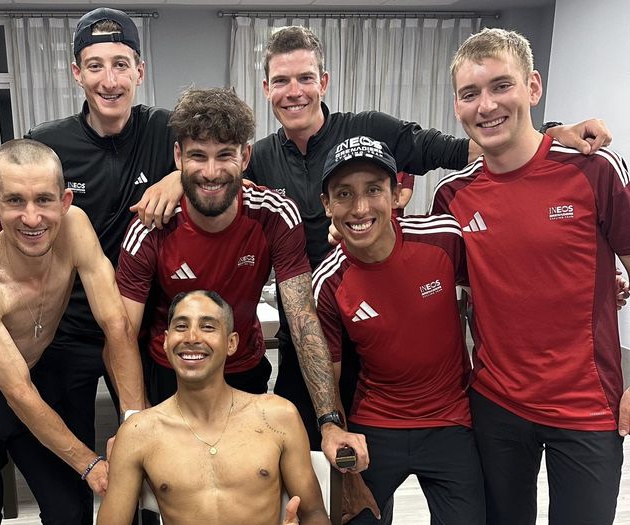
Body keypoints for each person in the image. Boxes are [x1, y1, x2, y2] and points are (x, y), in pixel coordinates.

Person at [246, 24, 614, 452]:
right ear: (266, 88)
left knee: (376, 463)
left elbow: (460, 148)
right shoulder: (261, 158)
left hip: (378, 341)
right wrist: (177, 183)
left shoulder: (368, 128)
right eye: (282, 81)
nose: (295, 92)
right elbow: (216, 187)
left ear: (323, 82)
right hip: (308, 335)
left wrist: (546, 135)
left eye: (306, 78)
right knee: (310, 456)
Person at [430, 28, 630, 525]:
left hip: (586, 407)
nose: (487, 105)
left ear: (533, 87)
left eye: (502, 86)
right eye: (470, 93)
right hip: (496, 405)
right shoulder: (452, 196)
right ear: (457, 106)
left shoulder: (594, 169)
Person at [117, 87, 353, 443]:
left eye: (224, 155)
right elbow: (122, 332)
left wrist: (330, 420)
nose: (211, 172)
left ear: (244, 157)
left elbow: (303, 321)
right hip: (172, 375)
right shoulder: (151, 226)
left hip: (244, 372)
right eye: (198, 156)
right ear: (178, 156)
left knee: (247, 490)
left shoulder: (275, 214)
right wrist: (133, 420)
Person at [23, 9, 179, 521]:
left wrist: (177, 179)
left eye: (120, 64)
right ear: (76, 72)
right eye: (94, 66)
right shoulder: (48, 143)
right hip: (68, 325)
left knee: (151, 458)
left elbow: (226, 155)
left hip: (141, 326)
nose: (108, 80)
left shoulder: (166, 130)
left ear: (140, 68)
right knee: (67, 468)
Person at [0, 138, 140, 524]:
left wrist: (134, 425)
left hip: (34, 373)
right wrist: (93, 464)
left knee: (67, 509)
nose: (32, 218)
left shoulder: (75, 228)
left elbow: (116, 325)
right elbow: (16, 392)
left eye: (44, 200)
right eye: (15, 201)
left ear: (64, 202)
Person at [314, 136, 483, 524]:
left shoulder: (443, 238)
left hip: (451, 421)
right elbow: (329, 378)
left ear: (396, 194)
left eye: (373, 190)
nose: (359, 208)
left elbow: (505, 275)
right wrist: (337, 434)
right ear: (327, 206)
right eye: (343, 194)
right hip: (377, 424)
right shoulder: (329, 281)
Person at [98, 290, 330, 525]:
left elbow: (314, 513)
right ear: (166, 342)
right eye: (181, 326)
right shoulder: (138, 432)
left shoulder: (278, 417)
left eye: (208, 327)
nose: (192, 337)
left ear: (231, 343)